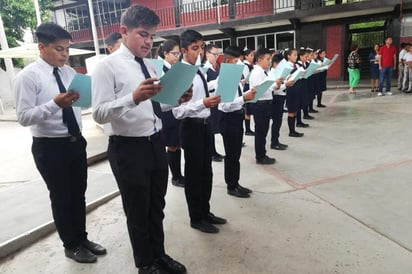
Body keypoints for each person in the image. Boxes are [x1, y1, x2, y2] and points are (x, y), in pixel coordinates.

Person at [91, 5, 188, 274]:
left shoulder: (150, 64)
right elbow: (99, 113)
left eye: (152, 36)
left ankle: (159, 255)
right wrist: (132, 97)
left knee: (157, 205)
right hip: (128, 148)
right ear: (124, 31)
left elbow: (153, 105)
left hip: (155, 142)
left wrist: (174, 100)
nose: (149, 41)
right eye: (143, 34)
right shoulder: (106, 67)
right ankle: (145, 264)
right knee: (137, 211)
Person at [14, 22, 106, 264]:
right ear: (42, 47)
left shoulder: (70, 74)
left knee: (79, 194)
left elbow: (81, 106)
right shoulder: (28, 77)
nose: (65, 54)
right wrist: (55, 104)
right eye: (59, 49)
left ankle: (82, 238)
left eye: (67, 49)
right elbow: (23, 117)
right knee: (62, 197)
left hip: (76, 142)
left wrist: (86, 98)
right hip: (50, 146)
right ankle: (71, 244)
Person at [172, 29, 226, 234]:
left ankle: (205, 211)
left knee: (207, 172)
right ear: (183, 50)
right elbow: (177, 111)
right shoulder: (179, 74)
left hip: (205, 126)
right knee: (194, 175)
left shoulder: (200, 70)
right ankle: (196, 217)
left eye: (202, 47)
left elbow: (203, 93)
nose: (200, 52)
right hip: (191, 127)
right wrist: (202, 104)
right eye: (195, 48)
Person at [218, 46, 256, 198]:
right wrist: (243, 98)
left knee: (236, 154)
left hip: (236, 117)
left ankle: (236, 182)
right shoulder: (225, 78)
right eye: (236, 61)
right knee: (231, 155)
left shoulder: (234, 77)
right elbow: (225, 105)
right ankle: (231, 186)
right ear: (228, 61)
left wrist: (247, 95)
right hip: (228, 119)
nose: (239, 64)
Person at [158, 39, 185, 187]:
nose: (177, 56)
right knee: (172, 145)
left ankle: (179, 175)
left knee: (178, 143)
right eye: (174, 53)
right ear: (165, 53)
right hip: (167, 112)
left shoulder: (174, 68)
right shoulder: (161, 69)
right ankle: (176, 177)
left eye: (178, 54)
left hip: (176, 109)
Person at [249, 48, 281, 165]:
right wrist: (274, 85)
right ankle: (260, 156)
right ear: (260, 59)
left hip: (264, 104)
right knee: (261, 132)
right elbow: (260, 90)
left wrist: (275, 84)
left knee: (262, 131)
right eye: (267, 59)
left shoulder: (262, 71)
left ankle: (262, 154)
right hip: (261, 105)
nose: (269, 62)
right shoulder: (257, 72)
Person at [203, 44, 225, 162]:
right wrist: (217, 81)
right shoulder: (204, 68)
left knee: (214, 128)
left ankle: (213, 151)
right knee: (210, 129)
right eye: (214, 54)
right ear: (207, 54)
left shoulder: (216, 66)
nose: (217, 56)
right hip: (209, 101)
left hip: (217, 100)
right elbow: (204, 86)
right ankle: (211, 152)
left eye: (218, 54)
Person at [243, 48, 255, 136]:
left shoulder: (252, 65)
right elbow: (246, 79)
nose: (252, 57)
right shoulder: (245, 66)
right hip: (247, 87)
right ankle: (247, 129)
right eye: (251, 55)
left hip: (250, 87)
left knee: (250, 110)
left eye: (253, 55)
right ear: (246, 56)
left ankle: (249, 128)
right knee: (248, 110)